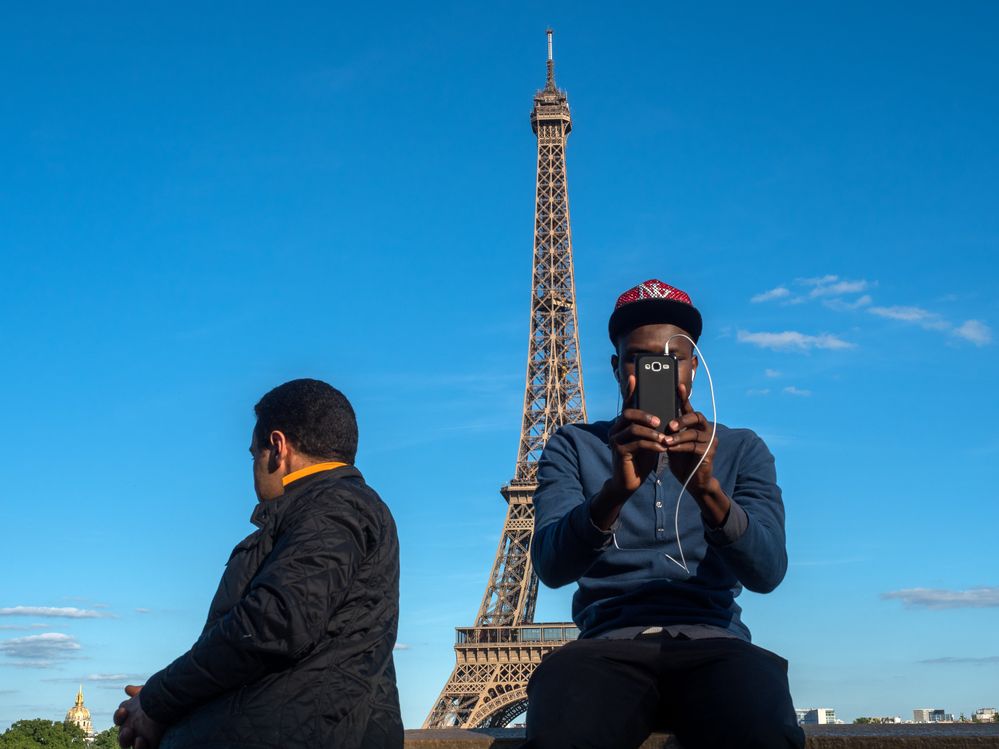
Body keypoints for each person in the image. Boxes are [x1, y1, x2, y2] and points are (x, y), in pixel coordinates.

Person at [524, 280, 805, 749]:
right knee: (563, 727)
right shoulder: (573, 447)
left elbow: (768, 571)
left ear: (693, 366)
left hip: (716, 642)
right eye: (640, 357)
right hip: (606, 647)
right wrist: (613, 492)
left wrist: (707, 490)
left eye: (674, 357)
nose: (660, 370)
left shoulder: (740, 449)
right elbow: (551, 568)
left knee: (764, 726)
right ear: (618, 368)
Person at [114, 378, 402, 749]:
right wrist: (163, 704)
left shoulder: (333, 506)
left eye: (254, 454)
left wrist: (158, 698)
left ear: (278, 447)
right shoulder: (338, 508)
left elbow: (272, 622)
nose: (253, 467)